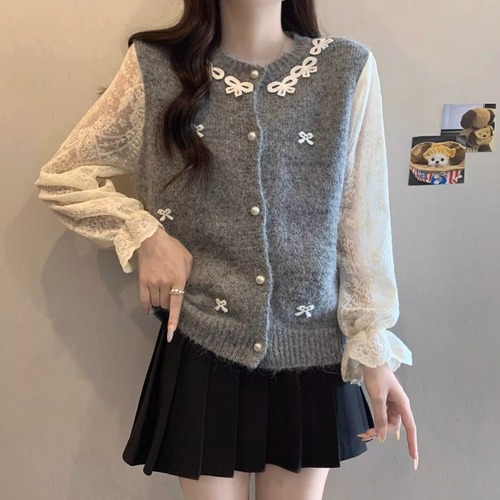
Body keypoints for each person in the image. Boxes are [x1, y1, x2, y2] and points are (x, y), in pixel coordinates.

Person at [34, 1, 418, 499]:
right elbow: (63, 178)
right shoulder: (155, 66)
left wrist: (373, 348)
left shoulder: (346, 69)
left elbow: (361, 218)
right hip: (204, 347)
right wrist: (144, 233)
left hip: (312, 354)